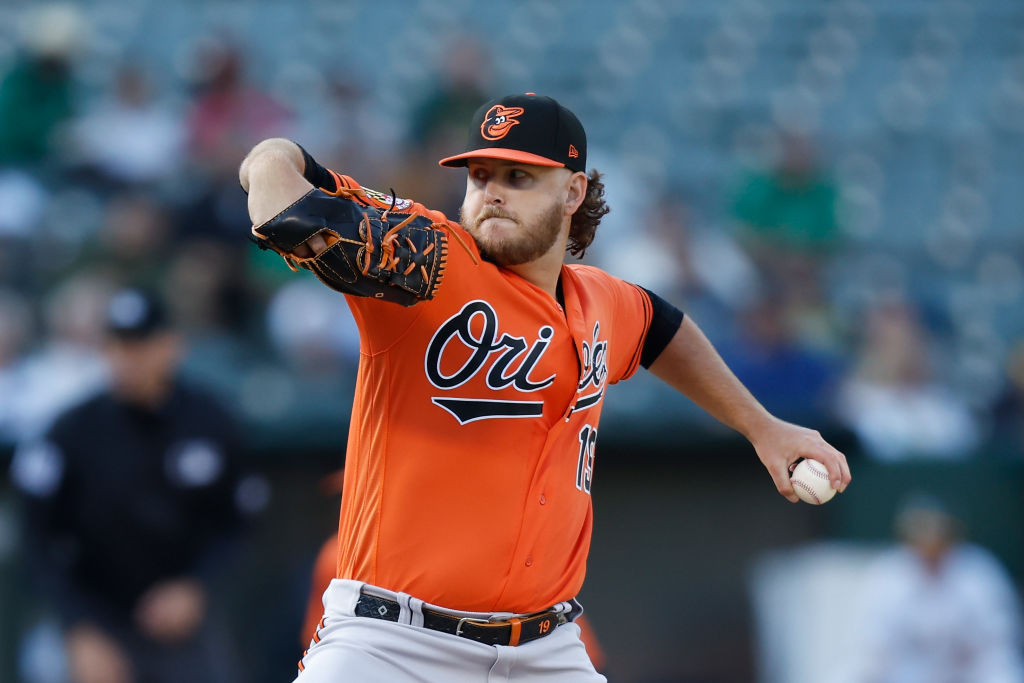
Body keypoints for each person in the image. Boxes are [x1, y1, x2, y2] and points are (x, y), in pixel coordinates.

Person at [239, 93, 851, 681]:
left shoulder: (602, 301)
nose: (492, 193)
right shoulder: (432, 263)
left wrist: (762, 427)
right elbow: (290, 194)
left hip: (544, 651)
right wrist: (270, 159)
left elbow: (662, 329)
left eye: (519, 177)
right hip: (393, 645)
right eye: (480, 177)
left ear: (573, 191)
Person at [10, 288, 249, 683]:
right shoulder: (72, 431)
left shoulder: (210, 421)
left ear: (171, 346)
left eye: (140, 345)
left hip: (182, 625)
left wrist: (197, 586)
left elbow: (237, 525)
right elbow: (36, 539)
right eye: (117, 346)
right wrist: (79, 626)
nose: (127, 359)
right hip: (97, 620)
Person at [850, 496, 1024, 682]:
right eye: (921, 531)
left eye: (937, 532)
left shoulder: (979, 571)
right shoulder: (887, 575)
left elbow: (1000, 643)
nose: (930, 541)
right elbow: (872, 647)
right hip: (908, 675)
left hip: (966, 673)